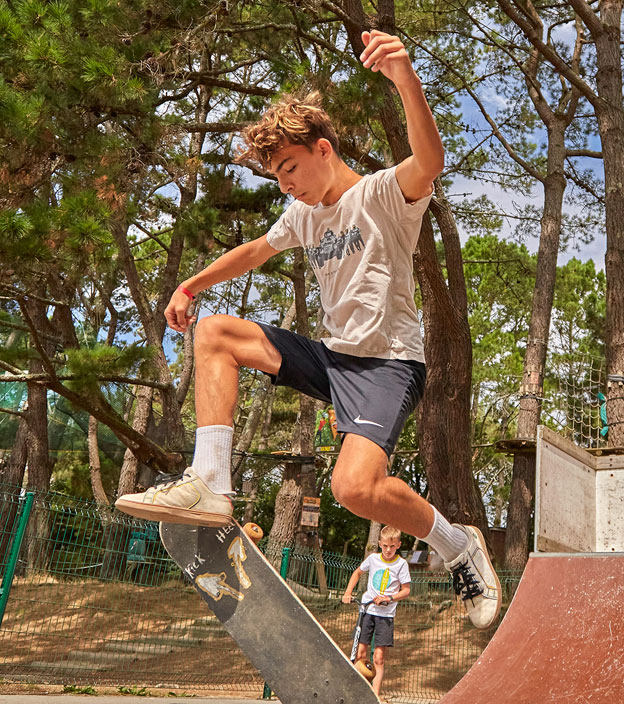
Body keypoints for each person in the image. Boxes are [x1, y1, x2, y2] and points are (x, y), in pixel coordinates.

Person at [114, 29, 500, 631]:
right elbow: (253, 251)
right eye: (276, 177)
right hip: (332, 358)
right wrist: (190, 285)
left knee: (354, 489)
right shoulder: (302, 214)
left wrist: (405, 79)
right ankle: (210, 481)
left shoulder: (382, 195)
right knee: (214, 333)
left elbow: (429, 161)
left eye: (290, 168)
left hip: (388, 364)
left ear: (324, 149)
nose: (286, 185)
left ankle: (457, 544)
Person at [341, 525, 411, 698]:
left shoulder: (401, 564)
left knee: (378, 657)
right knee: (360, 653)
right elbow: (358, 572)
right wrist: (348, 592)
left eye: (392, 546)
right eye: (385, 546)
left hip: (385, 616)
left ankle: (375, 696)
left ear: (398, 545)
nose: (388, 550)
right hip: (367, 611)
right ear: (379, 543)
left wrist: (389, 598)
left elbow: (406, 590)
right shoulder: (373, 559)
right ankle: (358, 694)